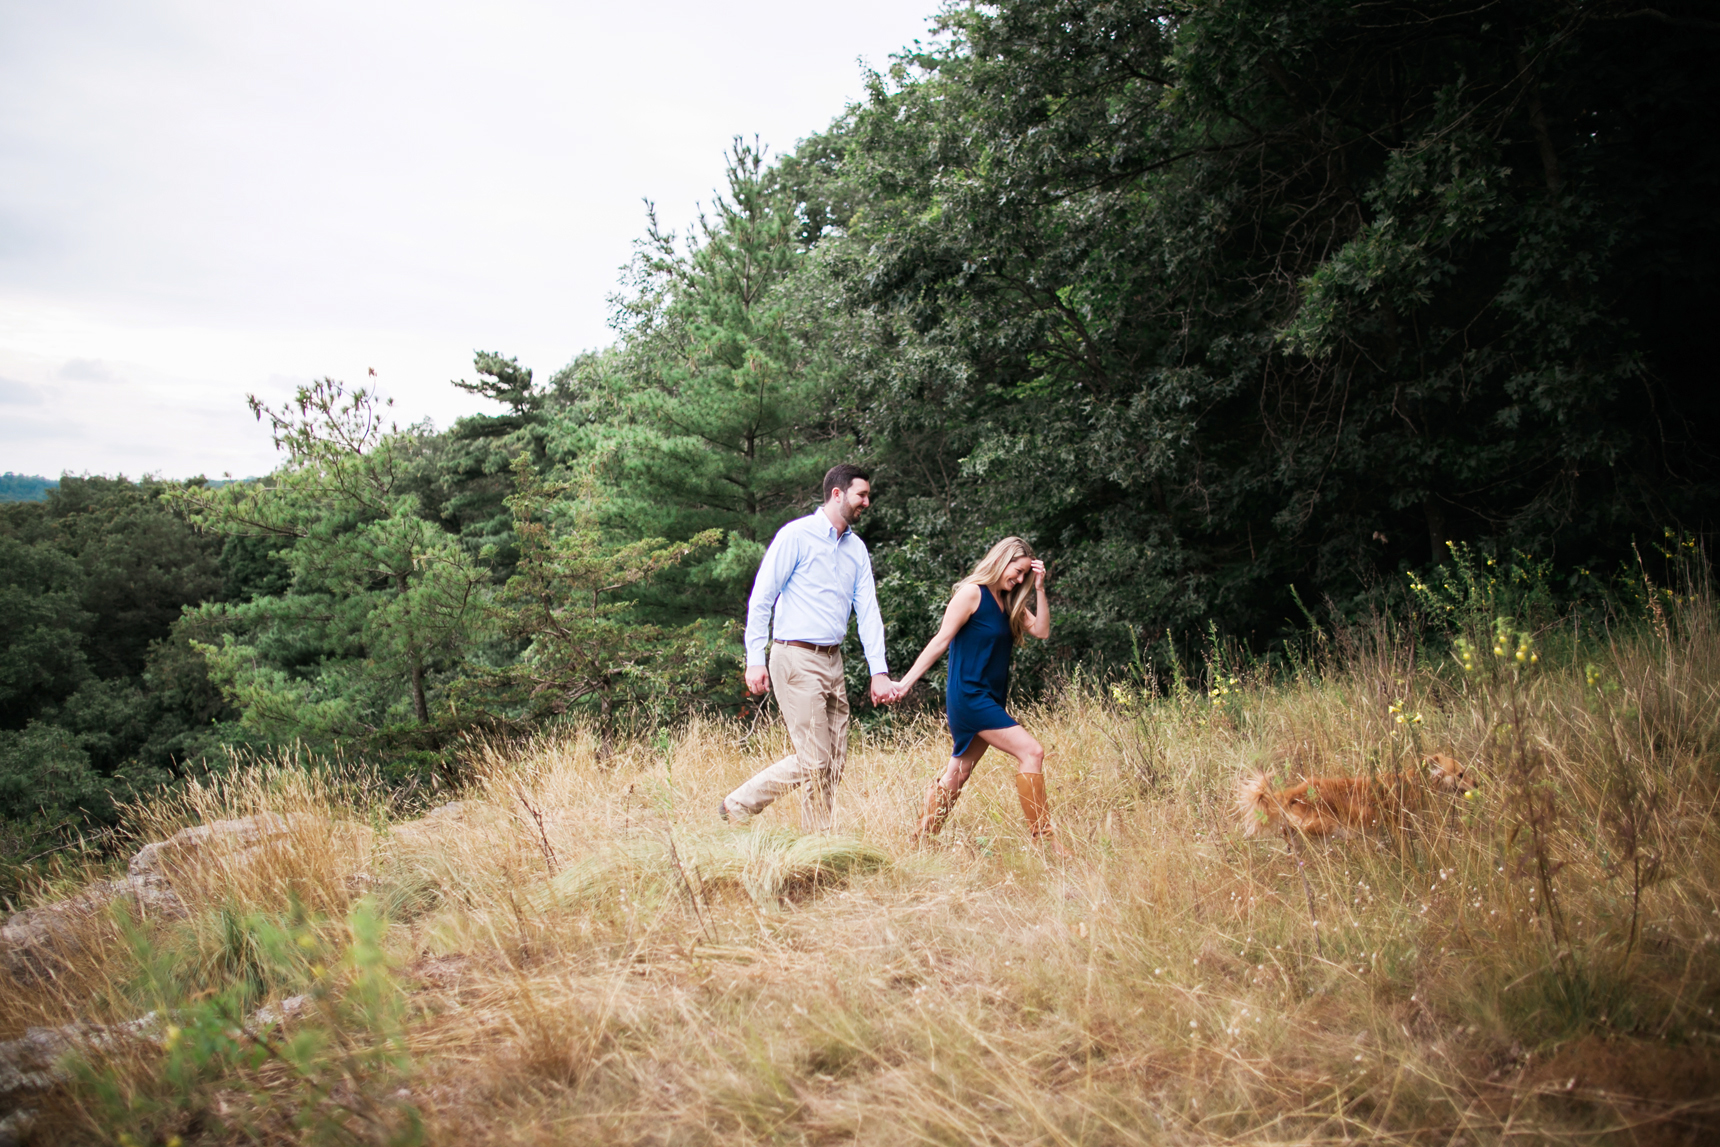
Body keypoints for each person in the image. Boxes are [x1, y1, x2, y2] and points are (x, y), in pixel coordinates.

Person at [719, 464, 894, 830]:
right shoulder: (796, 536)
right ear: (837, 494)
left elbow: (868, 612)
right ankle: (738, 805)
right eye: (861, 495)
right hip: (795, 657)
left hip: (834, 662)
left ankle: (816, 846)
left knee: (833, 763)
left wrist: (879, 671)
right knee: (814, 759)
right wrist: (754, 659)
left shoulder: (856, 549)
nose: (866, 502)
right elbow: (762, 598)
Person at [885, 537, 1069, 854]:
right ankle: (1046, 841)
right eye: (1018, 570)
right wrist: (906, 682)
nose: (1020, 578)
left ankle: (919, 842)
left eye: (1026, 573)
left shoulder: (1010, 602)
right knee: (1032, 752)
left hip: (990, 697)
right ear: (1002, 559)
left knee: (958, 772)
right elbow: (941, 640)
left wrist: (1039, 588)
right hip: (970, 697)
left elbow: (1041, 630)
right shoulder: (972, 593)